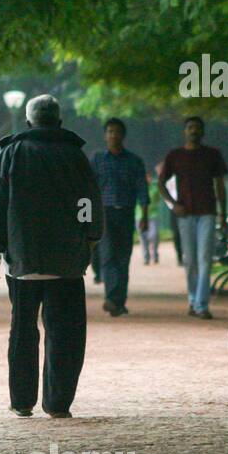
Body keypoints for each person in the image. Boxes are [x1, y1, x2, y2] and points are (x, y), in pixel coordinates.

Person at [0, 95, 102, 419]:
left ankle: (22, 401)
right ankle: (58, 402)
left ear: (28, 122)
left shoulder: (11, 154)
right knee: (65, 332)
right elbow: (88, 201)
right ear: (59, 122)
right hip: (66, 263)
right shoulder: (75, 155)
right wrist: (90, 238)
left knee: (23, 330)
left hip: (22, 261)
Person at [159, 116, 228, 319]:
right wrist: (173, 204)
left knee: (205, 258)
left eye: (197, 127)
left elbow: (220, 185)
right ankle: (192, 298)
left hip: (207, 212)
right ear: (185, 131)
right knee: (190, 260)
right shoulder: (175, 155)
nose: (193, 130)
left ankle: (201, 305)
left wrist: (223, 212)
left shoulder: (212, 155)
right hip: (185, 214)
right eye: (190, 127)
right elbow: (161, 182)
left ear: (203, 132)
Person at [90, 118, 151, 316]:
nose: (113, 135)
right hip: (104, 213)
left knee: (123, 258)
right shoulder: (98, 159)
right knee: (107, 255)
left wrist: (144, 215)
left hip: (126, 212)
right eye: (109, 131)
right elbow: (89, 187)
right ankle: (111, 298)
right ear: (105, 135)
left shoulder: (134, 161)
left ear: (123, 135)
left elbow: (142, 188)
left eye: (117, 131)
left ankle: (118, 301)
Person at [141, 171, 161, 264]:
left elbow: (157, 199)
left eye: (149, 177)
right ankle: (146, 257)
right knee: (143, 237)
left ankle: (155, 254)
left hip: (153, 214)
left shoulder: (154, 188)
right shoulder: (138, 188)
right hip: (140, 215)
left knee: (154, 235)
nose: (147, 179)